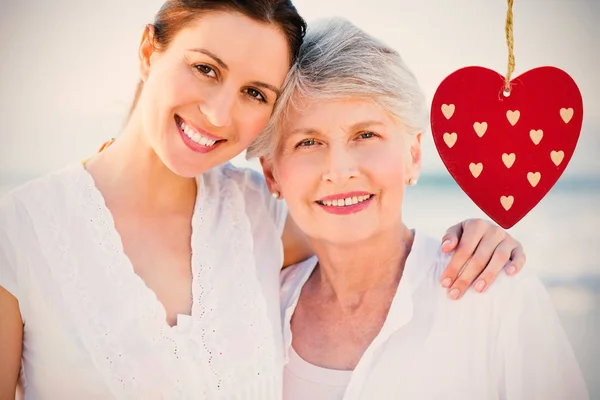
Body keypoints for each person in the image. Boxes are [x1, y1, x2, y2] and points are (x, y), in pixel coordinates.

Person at [0, 2, 526, 399]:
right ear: (147, 52)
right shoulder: (18, 234)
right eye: (205, 68)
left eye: (256, 93)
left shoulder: (261, 214)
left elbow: (372, 222)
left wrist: (479, 236)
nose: (219, 113)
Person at [249, 17, 590, 400]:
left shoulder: (497, 298)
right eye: (308, 143)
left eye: (366, 135)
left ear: (413, 156)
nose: (340, 171)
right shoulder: (257, 312)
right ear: (271, 173)